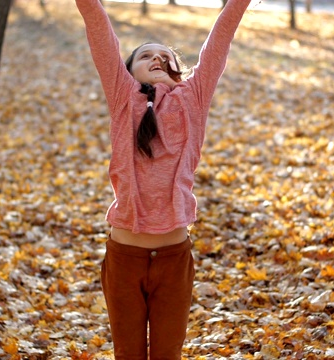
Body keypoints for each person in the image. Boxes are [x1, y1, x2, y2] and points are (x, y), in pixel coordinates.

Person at [75, 0, 251, 358]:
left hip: (174, 259)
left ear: (178, 69)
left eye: (164, 55)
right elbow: (98, 28)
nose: (156, 59)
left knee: (167, 355)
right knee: (128, 354)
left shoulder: (193, 98)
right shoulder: (124, 98)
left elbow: (221, 37)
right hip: (125, 257)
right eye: (145, 56)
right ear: (129, 72)